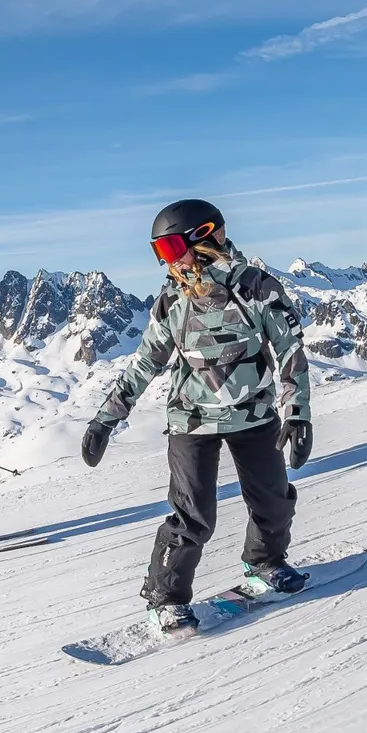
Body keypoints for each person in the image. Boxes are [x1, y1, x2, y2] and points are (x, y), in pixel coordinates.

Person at [78, 200, 314, 628]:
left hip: (254, 414)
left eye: (170, 249)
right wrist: (105, 419)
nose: (167, 263)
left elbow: (290, 352)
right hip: (192, 419)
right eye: (160, 254)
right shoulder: (172, 301)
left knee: (274, 502)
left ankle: (265, 561)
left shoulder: (258, 288)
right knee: (194, 515)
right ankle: (166, 597)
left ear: (207, 238)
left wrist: (297, 413)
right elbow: (145, 362)